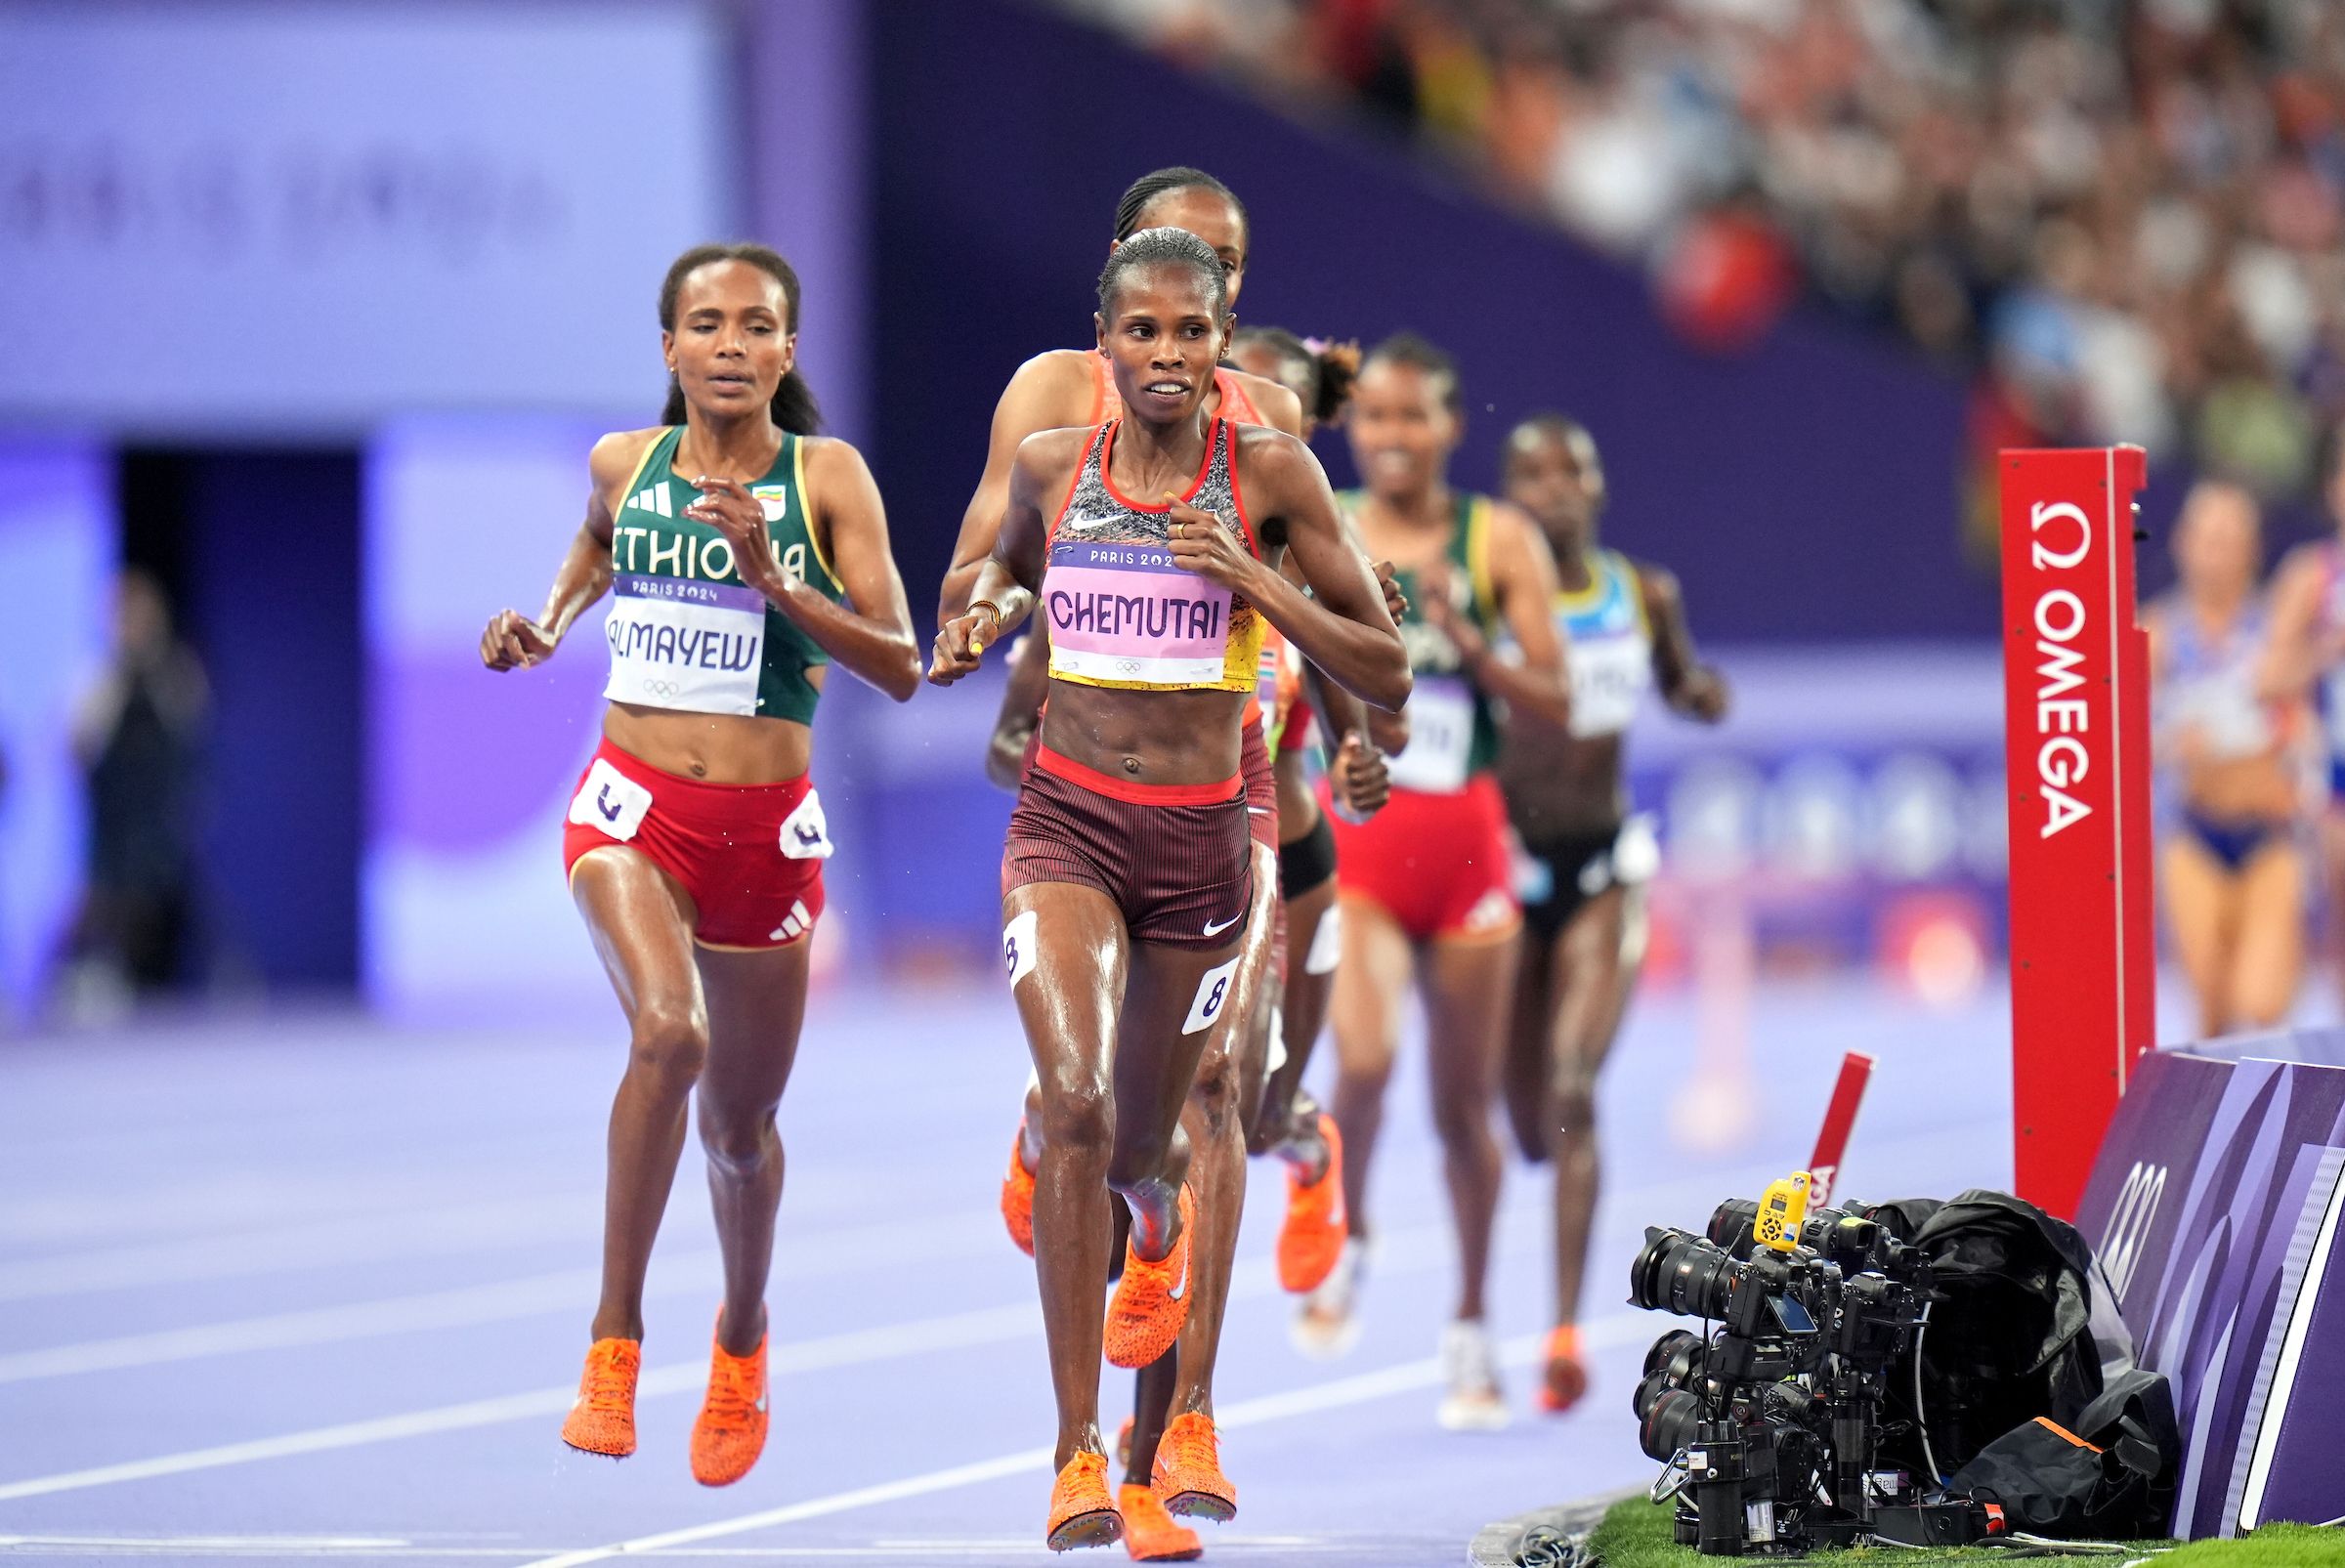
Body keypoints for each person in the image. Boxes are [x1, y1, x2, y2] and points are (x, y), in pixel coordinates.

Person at [929, 226, 1408, 1551]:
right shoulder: (1050, 465)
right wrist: (977, 621)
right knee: (1079, 1107)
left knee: (1156, 1142)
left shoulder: (1269, 474)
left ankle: (1155, 1232)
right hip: (1067, 829)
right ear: (1107, 342)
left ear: (1218, 344)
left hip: (1204, 843)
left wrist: (1251, 576)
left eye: (1190, 333)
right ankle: (1080, 1451)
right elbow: (1005, 580)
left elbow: (1387, 664)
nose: (1166, 355)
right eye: (1141, 332)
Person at [479, 243, 919, 1487]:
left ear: (787, 351)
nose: (730, 343)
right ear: (669, 349)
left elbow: (897, 659)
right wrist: (546, 624)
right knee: (667, 1037)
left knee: (741, 1129)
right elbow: (597, 544)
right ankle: (612, 1344)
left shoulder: (827, 478)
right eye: (705, 324)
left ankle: (740, 1334)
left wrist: (780, 580)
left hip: (765, 836)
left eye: (757, 325)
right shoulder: (627, 463)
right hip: (632, 813)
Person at [1300, 335, 1573, 1433]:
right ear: (1352, 430)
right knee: (1361, 1061)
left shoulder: (1497, 537)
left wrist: (1465, 631)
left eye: (1415, 419)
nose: (1393, 438)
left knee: (1465, 1110)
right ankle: (1349, 1232)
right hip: (1359, 843)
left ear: (1453, 429)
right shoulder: (1330, 518)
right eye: (1374, 419)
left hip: (1468, 853)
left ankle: (1470, 1323)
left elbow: (1554, 693)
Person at [1491, 414, 1728, 1416]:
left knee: (1577, 1090)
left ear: (1597, 489)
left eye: (1570, 472)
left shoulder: (1643, 594)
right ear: (1508, 496)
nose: (1552, 489)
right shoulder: (1484, 592)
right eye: (1531, 475)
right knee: (1532, 1128)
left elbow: (1685, 684)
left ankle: (1559, 1336)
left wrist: (1701, 692)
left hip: (1604, 871)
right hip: (1501, 877)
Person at [2153, 482, 2301, 1038]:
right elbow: (2125, 748)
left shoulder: (2278, 632)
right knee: (2213, 1008)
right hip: (2193, 835)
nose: (2218, 552)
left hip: (2268, 833)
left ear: (2252, 548)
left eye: (2230, 539)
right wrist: (2172, 743)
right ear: (2183, 544)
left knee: (2262, 1006)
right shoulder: (2156, 635)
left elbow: (2307, 723)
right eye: (2207, 538)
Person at [61, 569, 211, 1012]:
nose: (132, 626)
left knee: (160, 902)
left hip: (158, 813)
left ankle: (165, 982)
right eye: (124, 617)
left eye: (140, 616)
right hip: (115, 815)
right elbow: (76, 745)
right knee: (105, 900)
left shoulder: (176, 672)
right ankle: (77, 978)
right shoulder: (97, 678)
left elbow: (193, 733)